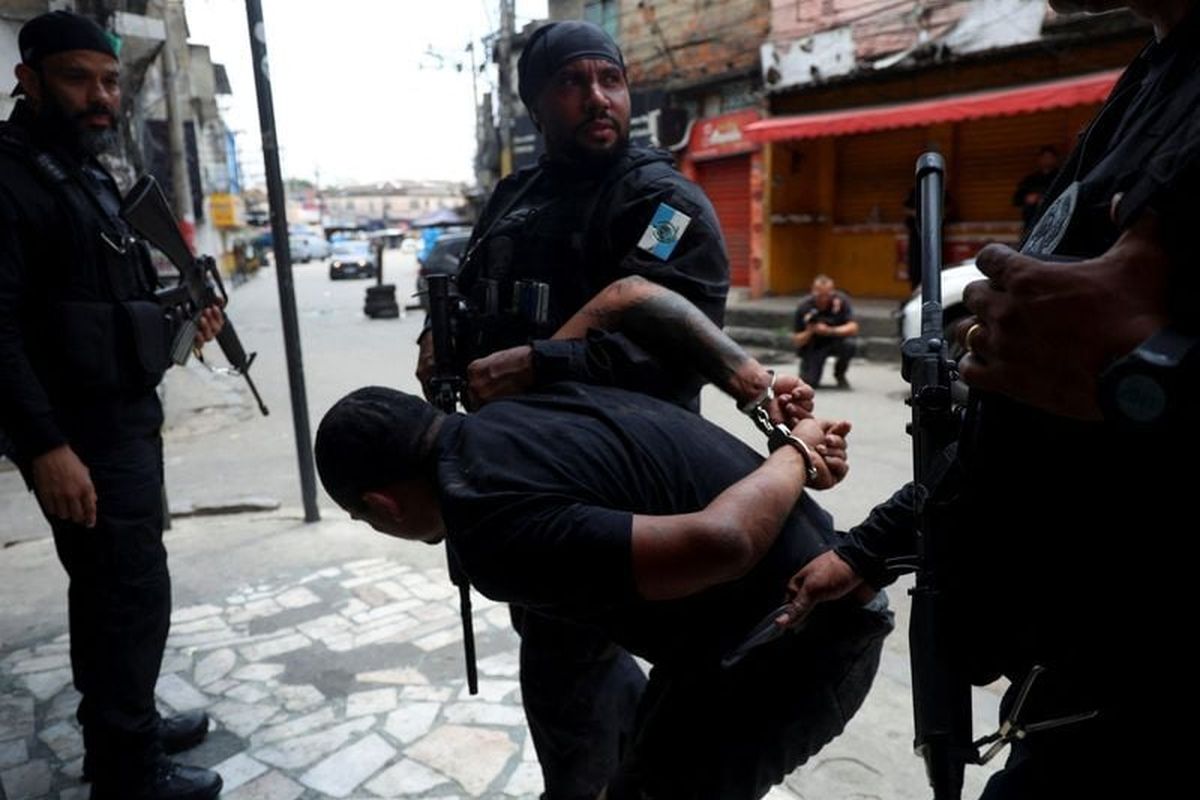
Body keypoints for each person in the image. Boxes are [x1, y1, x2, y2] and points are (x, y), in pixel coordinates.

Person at [780, 0, 1199, 796]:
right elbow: (1022, 420)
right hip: (1067, 684)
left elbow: (1116, 371)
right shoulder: (1152, 78)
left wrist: (1153, 377)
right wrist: (871, 549)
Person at [321, 278, 891, 798]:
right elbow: (628, 294)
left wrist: (796, 448)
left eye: (366, 518)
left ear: (382, 506)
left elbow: (723, 542)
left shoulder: (486, 530)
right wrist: (763, 397)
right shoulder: (514, 401)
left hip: (804, 635)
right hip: (723, 635)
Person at [415, 20, 731, 797]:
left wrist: (539, 364)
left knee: (579, 665)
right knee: (564, 651)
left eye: (610, 79)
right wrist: (441, 335)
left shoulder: (661, 203)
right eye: (572, 82)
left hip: (625, 477)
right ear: (534, 104)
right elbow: (478, 283)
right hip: (534, 472)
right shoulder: (517, 194)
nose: (598, 97)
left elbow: (671, 341)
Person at [0, 12, 224, 800]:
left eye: (108, 81)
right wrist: (42, 445)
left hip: (124, 423)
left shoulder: (89, 172)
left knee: (121, 592)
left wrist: (180, 318)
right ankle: (127, 772)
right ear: (26, 81)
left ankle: (126, 716)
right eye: (76, 79)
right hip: (78, 436)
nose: (99, 97)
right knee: (123, 593)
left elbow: (108, 298)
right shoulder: (10, 177)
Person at [791, 275, 859, 390]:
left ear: (832, 292)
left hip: (834, 339)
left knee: (850, 345)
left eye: (826, 295)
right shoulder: (804, 306)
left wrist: (830, 330)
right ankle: (807, 368)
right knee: (809, 383)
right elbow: (796, 340)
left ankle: (840, 374)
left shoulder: (840, 302)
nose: (823, 299)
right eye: (819, 295)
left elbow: (853, 327)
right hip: (814, 344)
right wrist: (810, 330)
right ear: (813, 291)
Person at [1010, 146, 1060, 235]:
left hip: (1055, 221)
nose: (1047, 160)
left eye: (1050, 157)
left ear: (1055, 159)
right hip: (1032, 222)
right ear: (1039, 159)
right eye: (1044, 157)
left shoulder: (1061, 178)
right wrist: (1027, 198)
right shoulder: (1030, 180)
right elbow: (1016, 200)